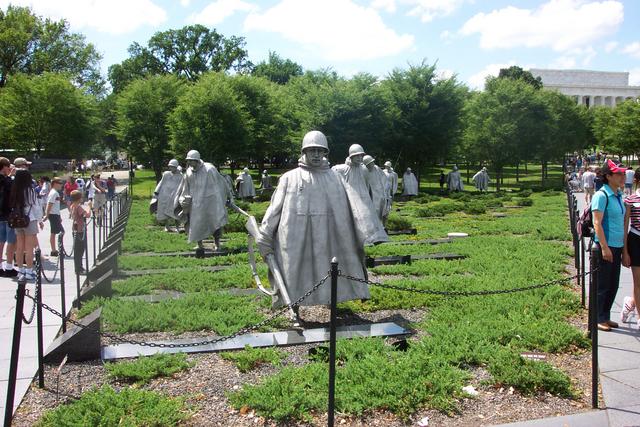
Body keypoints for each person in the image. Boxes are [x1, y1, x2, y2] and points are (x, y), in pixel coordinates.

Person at [256, 130, 373, 319]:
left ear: (325, 152)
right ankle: (294, 308)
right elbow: (275, 208)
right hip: (295, 236)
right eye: (312, 151)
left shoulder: (336, 178)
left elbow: (352, 208)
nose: (316, 155)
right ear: (304, 152)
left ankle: (332, 304)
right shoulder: (289, 177)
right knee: (293, 271)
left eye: (320, 151)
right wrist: (265, 232)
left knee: (331, 270)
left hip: (329, 235)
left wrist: (364, 231)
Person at [592, 159, 627, 331]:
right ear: (608, 176)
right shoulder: (602, 195)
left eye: (623, 173)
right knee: (603, 284)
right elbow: (597, 222)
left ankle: (605, 315)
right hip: (606, 246)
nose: (622, 176)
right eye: (618, 173)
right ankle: (598, 317)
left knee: (613, 284)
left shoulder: (619, 195)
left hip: (617, 245)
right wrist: (604, 247)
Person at [175, 150, 234, 251]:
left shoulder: (209, 169)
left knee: (215, 221)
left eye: (190, 161)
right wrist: (183, 199)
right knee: (196, 223)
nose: (188, 163)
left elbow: (221, 183)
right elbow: (185, 187)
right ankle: (200, 244)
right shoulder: (189, 171)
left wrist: (227, 197)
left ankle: (217, 244)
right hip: (195, 203)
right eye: (188, 161)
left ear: (197, 160)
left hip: (211, 201)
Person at [332, 144, 388, 245]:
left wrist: (368, 197)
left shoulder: (364, 169)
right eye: (357, 155)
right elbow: (334, 176)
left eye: (361, 156)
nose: (359, 158)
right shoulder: (343, 169)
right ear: (351, 156)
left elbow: (367, 184)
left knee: (367, 219)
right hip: (350, 198)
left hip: (364, 197)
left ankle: (370, 239)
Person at [9, 169, 43, 281]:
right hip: (30, 219)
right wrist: (40, 220)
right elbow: (35, 207)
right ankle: (29, 270)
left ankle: (20, 270)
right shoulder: (30, 190)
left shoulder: (14, 189)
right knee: (29, 248)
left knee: (19, 247)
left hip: (17, 220)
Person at [622, 167, 640, 328]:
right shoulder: (631, 199)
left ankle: (630, 302)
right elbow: (625, 224)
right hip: (636, 241)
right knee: (638, 282)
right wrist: (625, 251)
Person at [153, 159, 182, 232]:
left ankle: (178, 227)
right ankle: (167, 226)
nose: (171, 168)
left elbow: (182, 186)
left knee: (176, 212)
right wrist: (157, 191)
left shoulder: (181, 176)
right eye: (170, 167)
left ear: (176, 167)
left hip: (175, 196)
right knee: (165, 212)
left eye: (172, 167)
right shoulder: (166, 174)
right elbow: (161, 182)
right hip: (165, 195)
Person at [0, 157, 17, 277]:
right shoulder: (5, 180)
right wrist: (10, 176)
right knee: (11, 241)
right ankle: (9, 267)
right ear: (5, 167)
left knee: (0, 241)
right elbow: (10, 190)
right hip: (7, 213)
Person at [363, 155, 391, 224]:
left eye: (372, 162)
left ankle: (382, 226)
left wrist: (386, 191)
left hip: (380, 193)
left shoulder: (377, 168)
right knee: (374, 211)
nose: (372, 164)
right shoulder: (364, 171)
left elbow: (384, 179)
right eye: (370, 163)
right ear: (366, 165)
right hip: (372, 195)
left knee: (383, 211)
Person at [69, 190, 91, 274]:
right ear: (79, 198)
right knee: (80, 250)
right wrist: (89, 206)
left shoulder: (72, 206)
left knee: (77, 251)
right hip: (80, 231)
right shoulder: (78, 207)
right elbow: (87, 215)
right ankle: (79, 269)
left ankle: (79, 267)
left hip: (75, 230)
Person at [41, 178, 65, 257]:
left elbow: (56, 206)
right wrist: (47, 215)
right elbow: (49, 204)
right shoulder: (54, 193)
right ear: (55, 183)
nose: (61, 185)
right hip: (53, 215)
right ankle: (54, 250)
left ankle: (56, 249)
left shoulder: (55, 193)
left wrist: (59, 216)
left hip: (56, 214)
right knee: (56, 232)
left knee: (57, 232)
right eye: (60, 183)